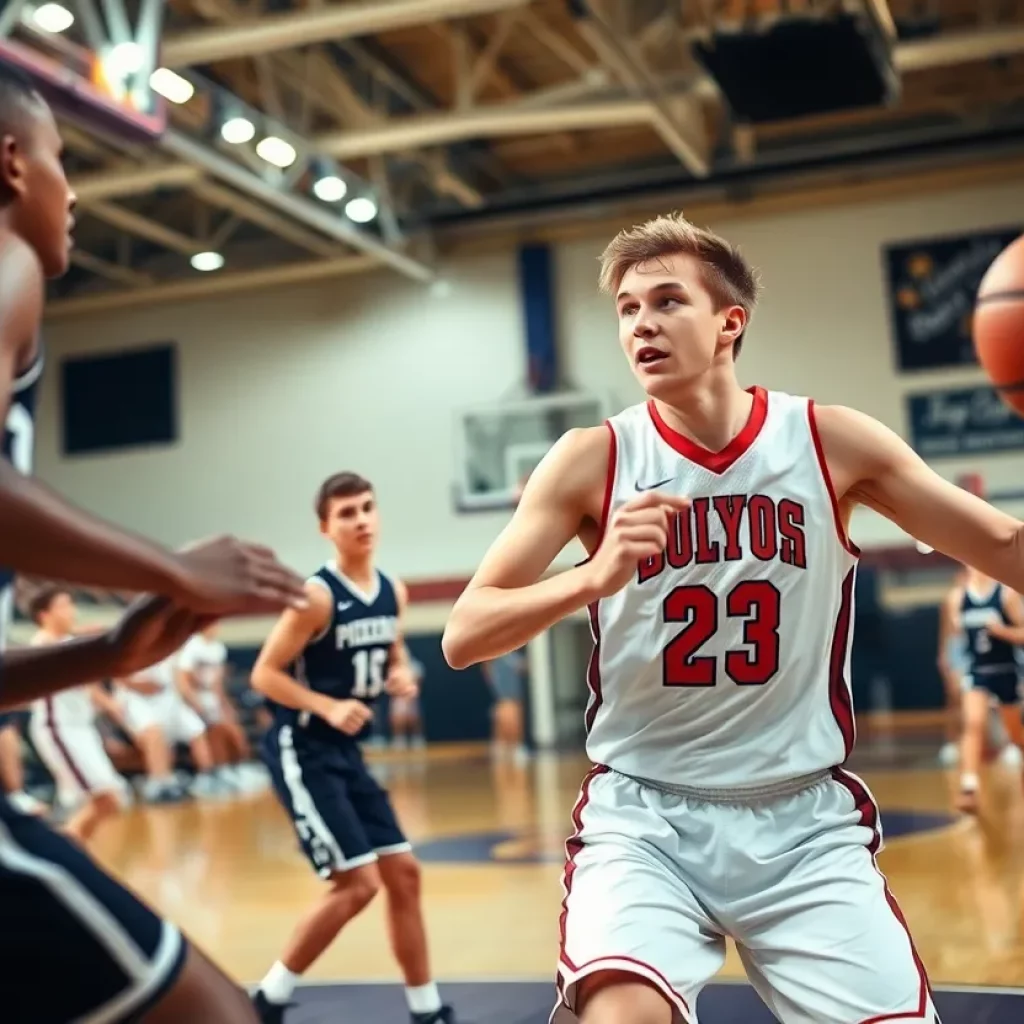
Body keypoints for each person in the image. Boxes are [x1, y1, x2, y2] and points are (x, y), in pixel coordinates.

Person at [442, 212, 1024, 1024]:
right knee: (623, 1016)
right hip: (645, 814)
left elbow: (1001, 542)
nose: (640, 322)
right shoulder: (593, 458)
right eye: (626, 308)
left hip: (802, 820)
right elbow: (465, 633)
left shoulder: (828, 441)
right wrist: (593, 576)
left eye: (667, 301)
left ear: (729, 323)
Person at [0, 62, 307, 1023]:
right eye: (61, 159)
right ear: (10, 164)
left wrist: (108, 650)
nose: (73, 190)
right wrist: (174, 568)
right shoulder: (5, 262)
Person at [250, 472, 459, 1024]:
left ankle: (426, 1009)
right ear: (326, 528)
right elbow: (263, 675)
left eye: (368, 507)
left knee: (404, 875)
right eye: (347, 513)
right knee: (357, 885)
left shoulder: (394, 590)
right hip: (303, 748)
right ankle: (267, 999)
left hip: (348, 754)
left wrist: (399, 675)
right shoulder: (314, 598)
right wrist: (324, 705)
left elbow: (390, 651)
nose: (362, 519)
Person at [26, 584, 129, 840]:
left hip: (82, 729)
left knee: (111, 798)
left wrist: (109, 704)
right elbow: (62, 650)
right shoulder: (41, 644)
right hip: (58, 729)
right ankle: (65, 852)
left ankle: (69, 848)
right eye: (63, 605)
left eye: (71, 604)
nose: (71, 610)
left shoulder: (68, 643)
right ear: (44, 615)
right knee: (104, 797)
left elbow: (89, 685)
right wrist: (90, 638)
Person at [948, 566, 1024, 813]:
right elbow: (956, 639)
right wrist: (954, 668)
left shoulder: (1005, 594)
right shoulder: (957, 597)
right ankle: (969, 787)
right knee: (973, 724)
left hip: (1005, 670)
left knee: (1015, 734)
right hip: (977, 672)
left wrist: (1000, 631)